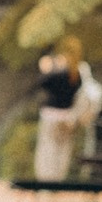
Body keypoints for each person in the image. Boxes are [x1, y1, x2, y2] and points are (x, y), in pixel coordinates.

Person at [33, 39, 90, 185]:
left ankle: (46, 183)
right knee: (62, 151)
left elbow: (43, 83)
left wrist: (47, 68)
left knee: (48, 151)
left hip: (51, 116)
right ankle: (58, 182)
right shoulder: (78, 72)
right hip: (68, 117)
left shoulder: (58, 70)